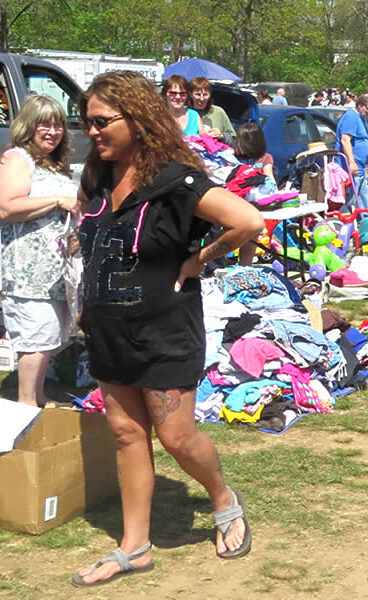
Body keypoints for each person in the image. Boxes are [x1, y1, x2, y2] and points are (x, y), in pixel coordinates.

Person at [71, 70, 263, 586]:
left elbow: (248, 221)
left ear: (137, 119)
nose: (91, 131)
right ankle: (135, 547)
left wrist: (199, 259)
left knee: (175, 435)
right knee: (126, 433)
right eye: (85, 122)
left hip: (165, 328)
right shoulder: (98, 178)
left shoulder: (175, 181)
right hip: (109, 327)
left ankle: (223, 498)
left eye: (100, 122)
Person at [0, 95, 80, 407]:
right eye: (44, 124)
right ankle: (25, 404)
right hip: (26, 271)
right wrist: (58, 200)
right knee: (34, 337)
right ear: (28, 126)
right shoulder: (17, 158)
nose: (52, 130)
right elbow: (7, 207)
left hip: (54, 271)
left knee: (48, 337)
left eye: (58, 124)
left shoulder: (54, 165)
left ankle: (39, 397)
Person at [231, 122, 276, 266]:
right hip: (237, 202)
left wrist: (276, 192)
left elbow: (269, 177)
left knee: (252, 235)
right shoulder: (232, 157)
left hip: (256, 203)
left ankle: (245, 267)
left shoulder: (265, 157)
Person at [335, 93, 368, 210]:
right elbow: (345, 140)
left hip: (362, 168)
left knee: (363, 200)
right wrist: (351, 163)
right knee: (350, 202)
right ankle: (349, 224)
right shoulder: (351, 117)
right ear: (361, 105)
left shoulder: (362, 118)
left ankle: (363, 223)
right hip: (352, 169)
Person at [188, 77, 235, 142]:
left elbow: (234, 139)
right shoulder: (184, 113)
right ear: (190, 94)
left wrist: (222, 136)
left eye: (205, 95)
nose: (202, 99)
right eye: (198, 94)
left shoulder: (218, 112)